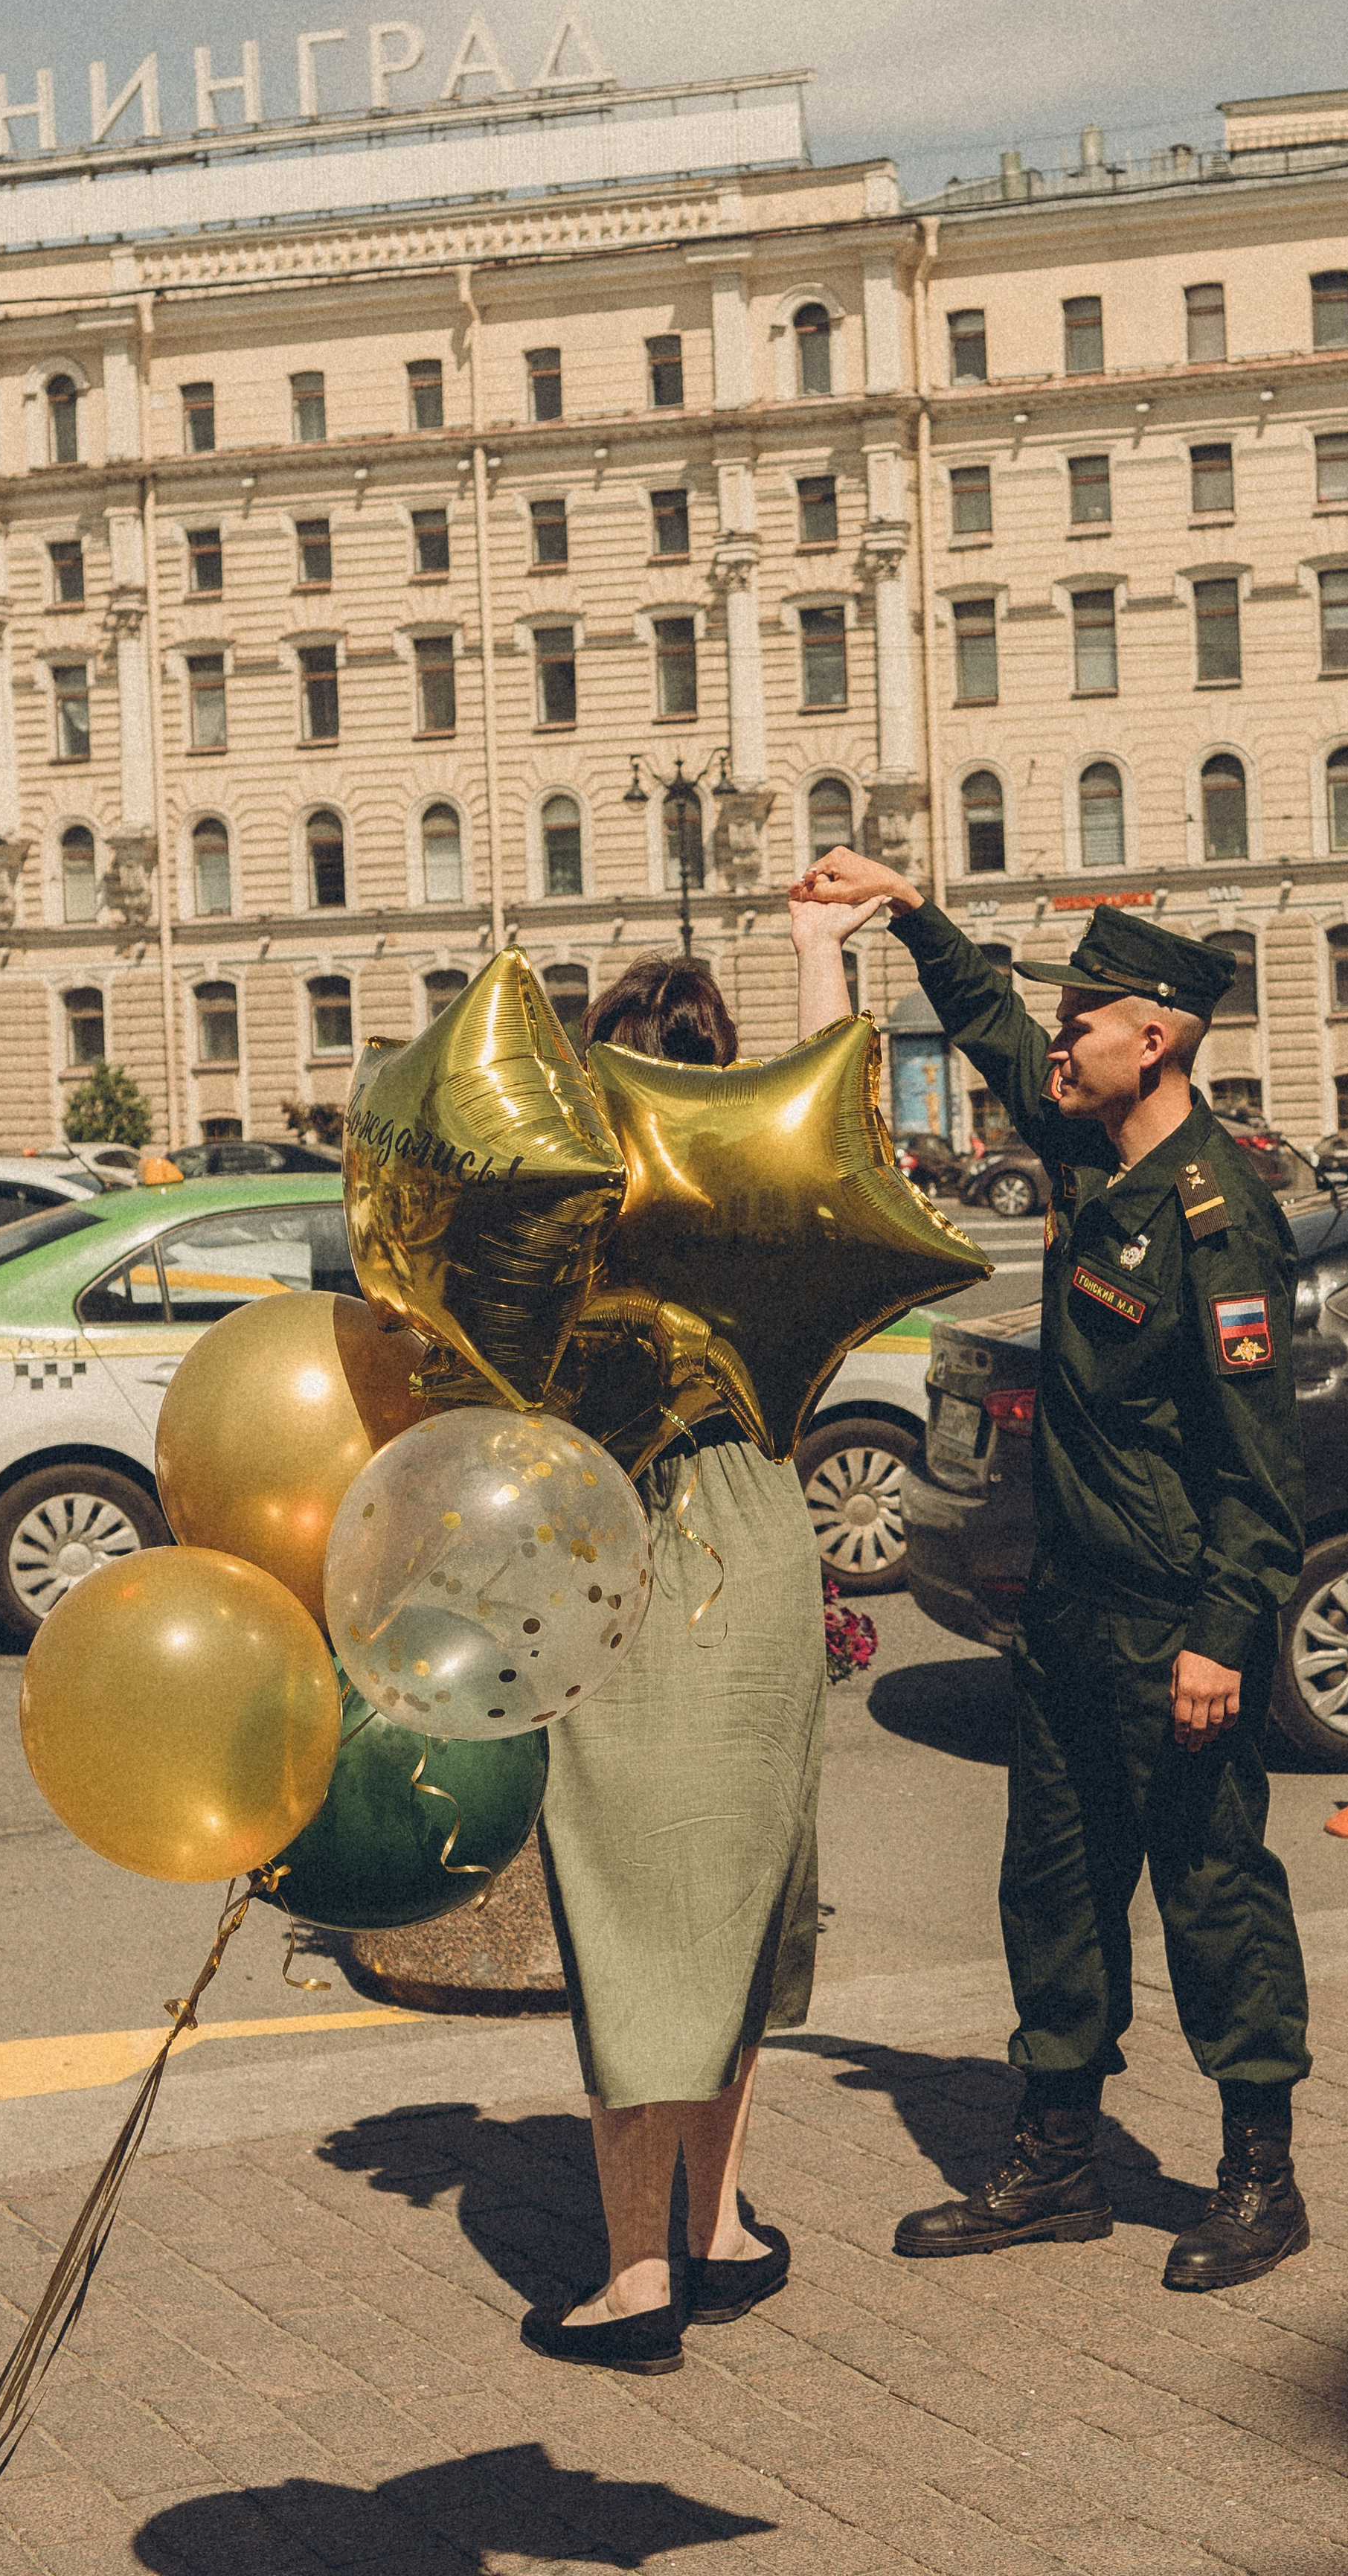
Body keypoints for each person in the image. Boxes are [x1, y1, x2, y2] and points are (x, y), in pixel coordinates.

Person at [791, 850, 1311, 2293]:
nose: (1057, 1041)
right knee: (1052, 1896)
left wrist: (1222, 1633)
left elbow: (1255, 1467)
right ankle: (1056, 2160)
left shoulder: (1219, 1216)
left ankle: (1257, 2177)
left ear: (1151, 1037)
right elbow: (993, 1033)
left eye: (1082, 1019)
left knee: (1212, 1900)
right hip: (1069, 1612)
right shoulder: (1095, 1156)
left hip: (1169, 1630)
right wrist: (907, 909)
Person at [525, 912, 862, 2374]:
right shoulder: (770, 1216)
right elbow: (832, 1098)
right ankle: (716, 2231)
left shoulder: (581, 1225)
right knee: (734, 1912)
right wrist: (819, 946)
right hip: (765, 1556)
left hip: (640, 1560)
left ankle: (634, 2276)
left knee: (631, 1915)